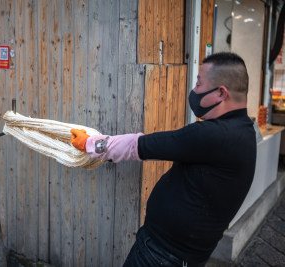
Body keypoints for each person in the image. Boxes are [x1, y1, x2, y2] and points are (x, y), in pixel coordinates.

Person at [70, 52, 257, 266]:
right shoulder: (242, 131)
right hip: (173, 255)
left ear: (221, 93)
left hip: (161, 257)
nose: (194, 91)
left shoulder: (216, 135)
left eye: (199, 83)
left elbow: (141, 146)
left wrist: (91, 144)